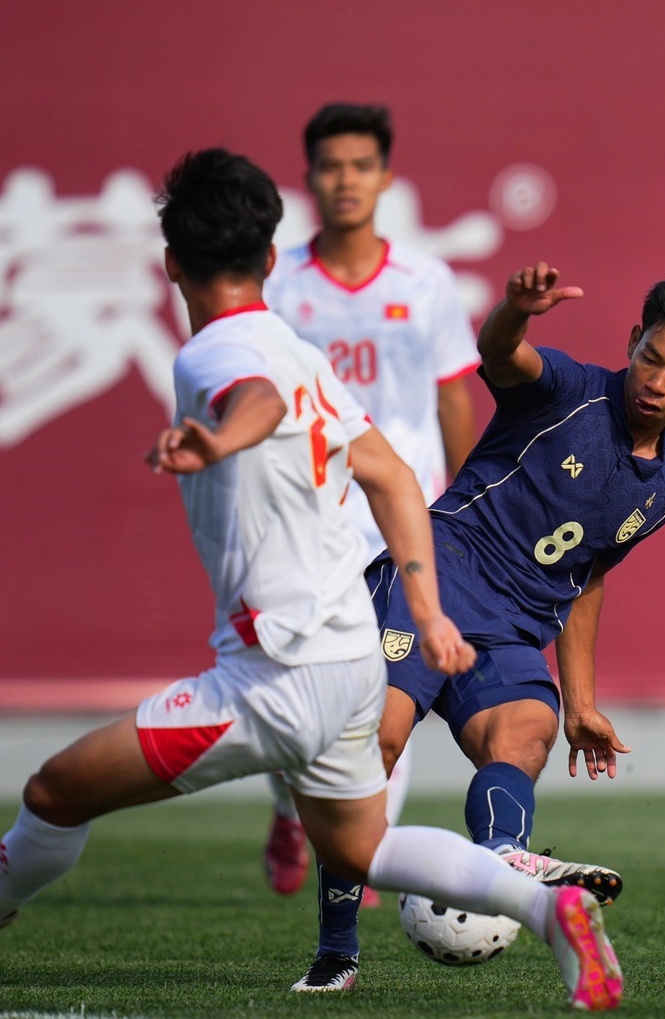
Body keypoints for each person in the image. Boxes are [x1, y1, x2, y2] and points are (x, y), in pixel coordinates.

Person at [0, 149, 622, 1014]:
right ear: (271, 258)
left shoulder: (215, 355)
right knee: (361, 847)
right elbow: (393, 476)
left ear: (170, 265)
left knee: (51, 791)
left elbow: (252, 396)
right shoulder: (299, 349)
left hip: (272, 678)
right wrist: (423, 605)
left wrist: (220, 439)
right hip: (349, 662)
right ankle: (542, 903)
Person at [289, 261, 665, 992]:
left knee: (528, 730)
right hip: (438, 572)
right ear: (633, 341)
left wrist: (583, 701)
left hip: (513, 623)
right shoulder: (569, 390)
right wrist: (513, 309)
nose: (658, 381)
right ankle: (336, 951)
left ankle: (502, 853)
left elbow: (590, 574)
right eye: (651, 358)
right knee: (375, 742)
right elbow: (503, 356)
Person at [259, 102, 481, 901]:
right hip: (303, 523)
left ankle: (366, 844)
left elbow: (455, 395)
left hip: (402, 517)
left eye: (360, 165)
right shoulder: (277, 282)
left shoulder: (426, 282)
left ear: (386, 176)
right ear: (310, 178)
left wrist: (462, 508)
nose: (344, 179)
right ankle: (291, 810)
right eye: (329, 165)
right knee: (296, 691)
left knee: (390, 678)